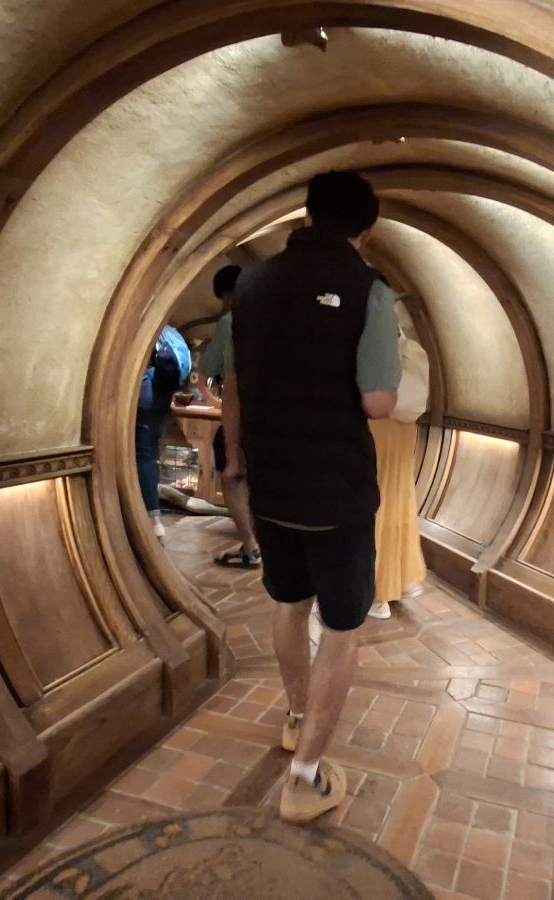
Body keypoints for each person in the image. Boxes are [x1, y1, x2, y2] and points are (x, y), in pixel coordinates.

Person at [223, 171, 400, 823]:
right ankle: (305, 780)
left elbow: (234, 383)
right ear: (367, 229)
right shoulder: (368, 289)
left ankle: (296, 719)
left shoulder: (251, 284)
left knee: (289, 604)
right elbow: (378, 403)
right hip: (337, 490)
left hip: (272, 484)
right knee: (343, 628)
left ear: (306, 214)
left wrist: (236, 459)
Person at [368, 296, 429, 619]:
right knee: (398, 501)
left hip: (376, 430)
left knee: (373, 505)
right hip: (403, 433)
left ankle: (376, 589)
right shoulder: (413, 350)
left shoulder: (369, 349)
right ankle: (398, 581)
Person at [195, 265, 260, 568]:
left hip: (243, 413)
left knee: (231, 474)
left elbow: (209, 367)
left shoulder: (231, 322)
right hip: (277, 415)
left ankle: (250, 545)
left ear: (228, 294)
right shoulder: (277, 315)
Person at [135, 323, 190, 541]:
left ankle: (153, 520)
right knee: (151, 454)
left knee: (143, 456)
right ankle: (153, 517)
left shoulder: (141, 326)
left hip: (146, 391)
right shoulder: (167, 329)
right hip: (162, 394)